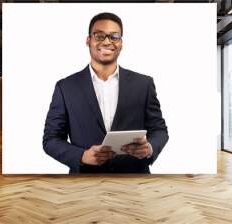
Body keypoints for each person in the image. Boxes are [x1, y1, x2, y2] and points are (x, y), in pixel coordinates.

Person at [43, 12, 168, 173]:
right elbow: (51, 139)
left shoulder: (144, 84)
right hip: (84, 183)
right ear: (88, 41)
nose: (107, 41)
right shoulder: (66, 87)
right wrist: (82, 156)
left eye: (114, 36)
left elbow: (159, 130)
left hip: (135, 182)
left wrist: (149, 147)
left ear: (121, 43)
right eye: (99, 35)